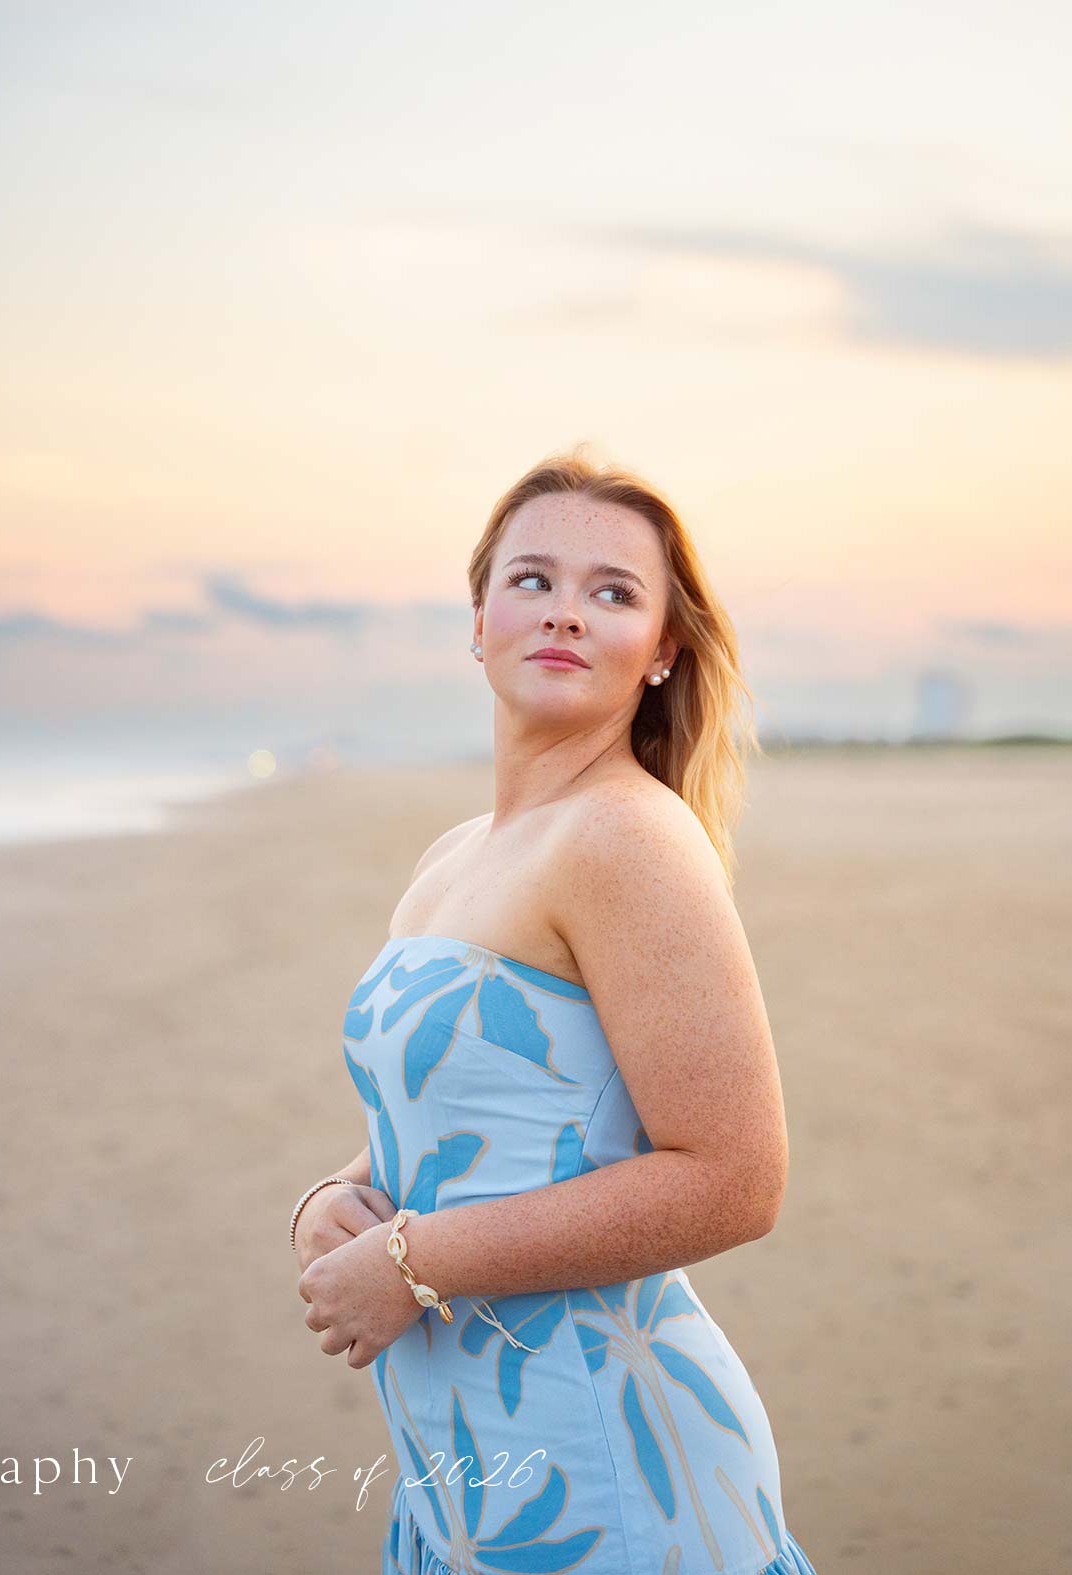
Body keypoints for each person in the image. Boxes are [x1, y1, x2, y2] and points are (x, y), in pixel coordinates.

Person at [290, 447, 816, 1573]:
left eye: (614, 593)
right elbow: (495, 1107)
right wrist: (340, 1195)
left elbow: (735, 1178)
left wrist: (410, 1261)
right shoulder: (457, 854)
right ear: (478, 620)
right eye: (532, 580)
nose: (566, 613)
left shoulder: (630, 837)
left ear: (662, 652)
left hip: (601, 1464)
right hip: (464, 1464)